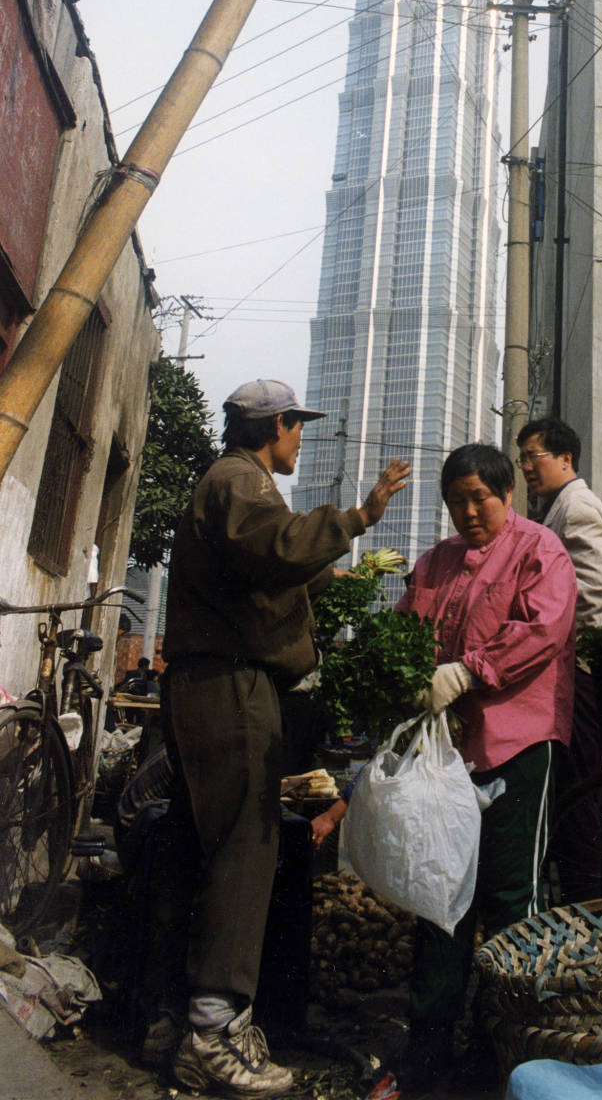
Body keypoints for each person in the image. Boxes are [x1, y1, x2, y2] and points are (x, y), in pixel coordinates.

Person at [160, 377, 408, 1097]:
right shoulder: (240, 481)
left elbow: (277, 573)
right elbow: (277, 544)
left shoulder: (238, 485)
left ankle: (181, 1019)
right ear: (277, 426)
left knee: (214, 844)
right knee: (245, 848)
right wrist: (360, 516)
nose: (301, 439)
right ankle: (211, 1033)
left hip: (226, 683)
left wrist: (347, 577)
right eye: (297, 426)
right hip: (230, 686)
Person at [396, 443, 577, 1089]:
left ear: (507, 495)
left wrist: (468, 671)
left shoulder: (540, 550)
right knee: (440, 894)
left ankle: (506, 1046)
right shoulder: (436, 561)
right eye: (457, 501)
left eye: (481, 498)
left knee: (510, 898)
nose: (469, 512)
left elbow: (542, 630)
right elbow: (408, 629)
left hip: (519, 744)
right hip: (447, 755)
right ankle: (429, 1046)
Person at [516, 417, 602, 898]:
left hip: (577, 668)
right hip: (569, 666)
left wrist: (566, 653)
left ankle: (586, 902)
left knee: (580, 787)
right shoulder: (559, 507)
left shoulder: (577, 507)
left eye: (533, 456)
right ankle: (597, 895)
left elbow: (596, 595)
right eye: (522, 458)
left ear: (565, 459)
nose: (526, 467)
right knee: (581, 788)